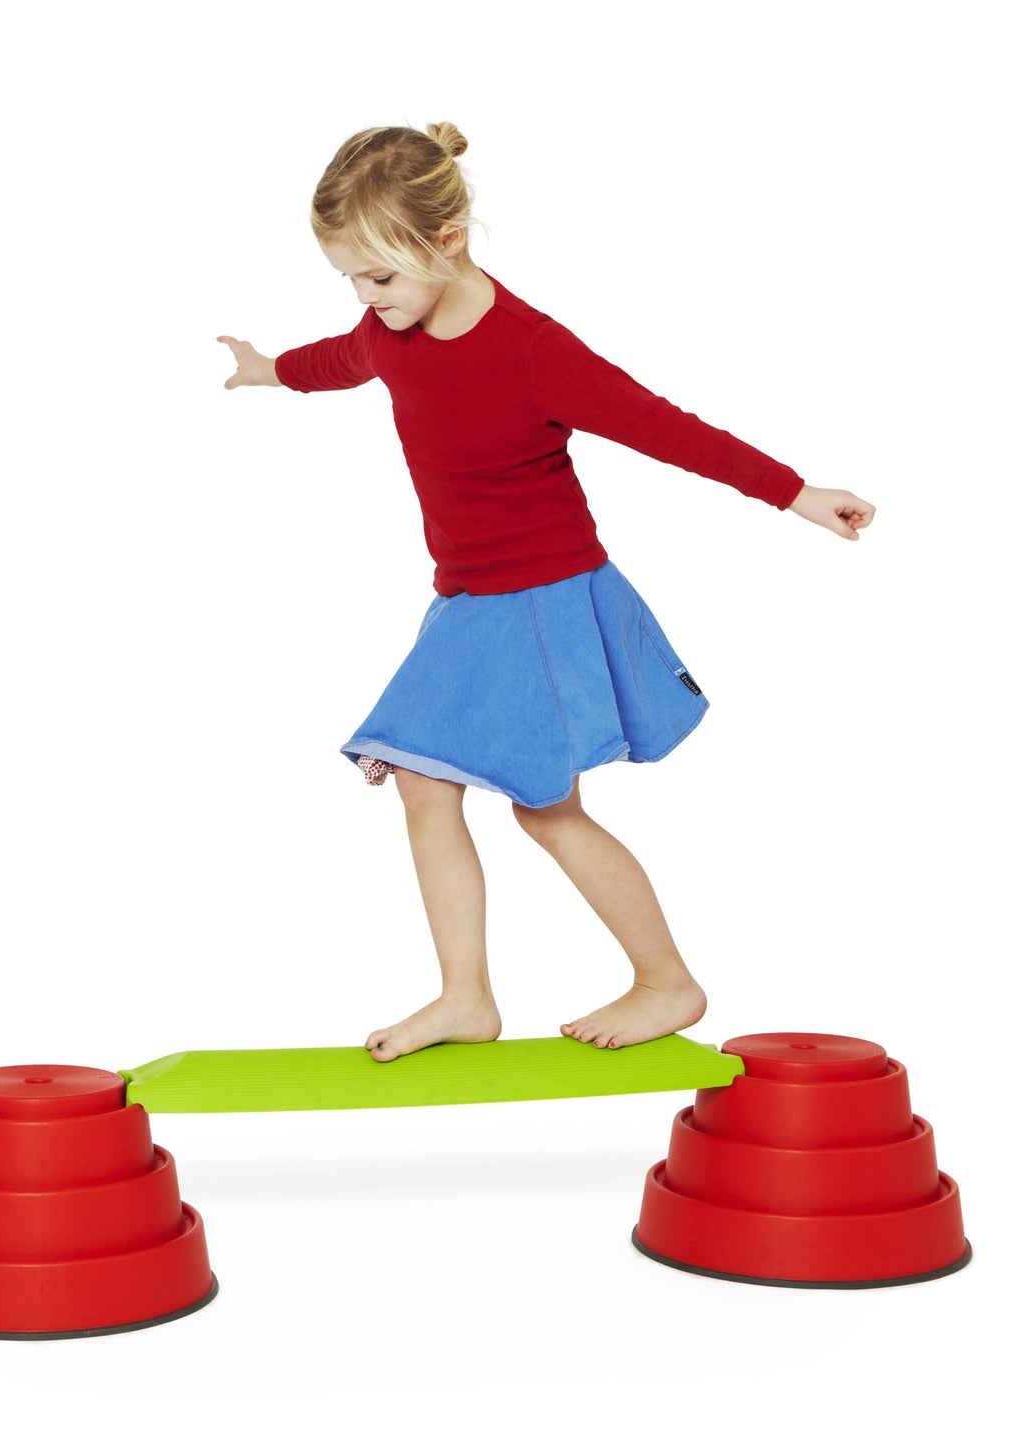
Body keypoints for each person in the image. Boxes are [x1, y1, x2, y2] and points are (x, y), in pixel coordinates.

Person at [218, 123, 873, 1062]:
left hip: (542, 600)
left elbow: (664, 427)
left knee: (544, 809)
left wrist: (794, 492)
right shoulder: (388, 330)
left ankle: (664, 981)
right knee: (427, 783)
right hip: (470, 604)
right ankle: (466, 997)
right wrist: (269, 371)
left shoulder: (532, 349)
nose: (365, 299)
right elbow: (338, 360)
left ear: (446, 240)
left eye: (378, 276)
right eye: (350, 280)